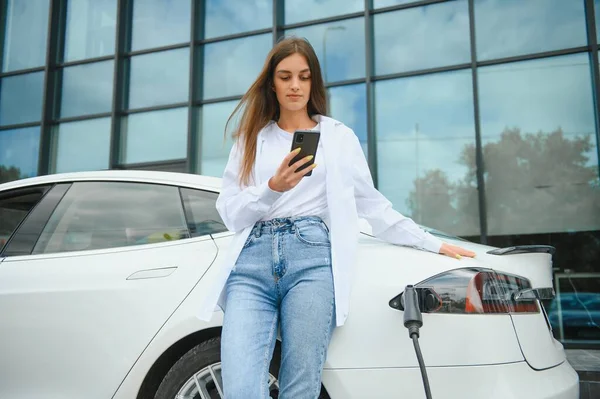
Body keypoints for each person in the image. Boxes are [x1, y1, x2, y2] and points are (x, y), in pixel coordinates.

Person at [207, 36, 476, 398]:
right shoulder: (251, 139)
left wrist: (431, 242)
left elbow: (373, 206)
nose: (295, 85)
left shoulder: (338, 138)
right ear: (272, 82)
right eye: (285, 77)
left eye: (303, 77)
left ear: (313, 82)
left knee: (300, 387)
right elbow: (229, 211)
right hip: (251, 265)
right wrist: (273, 186)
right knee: (240, 388)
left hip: (311, 260)